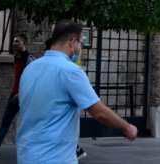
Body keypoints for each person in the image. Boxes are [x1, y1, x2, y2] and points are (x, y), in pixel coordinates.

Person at [17, 20, 137, 164]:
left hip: (26, 156)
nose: (80, 48)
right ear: (73, 42)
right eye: (80, 43)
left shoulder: (30, 68)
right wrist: (127, 127)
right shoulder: (70, 71)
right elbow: (99, 112)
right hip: (55, 158)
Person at [0, 32, 35, 160]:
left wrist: (22, 93)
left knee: (31, 124)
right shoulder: (16, 57)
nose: (14, 43)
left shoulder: (29, 59)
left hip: (25, 97)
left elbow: (34, 80)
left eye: (17, 41)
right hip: (14, 96)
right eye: (14, 41)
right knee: (5, 122)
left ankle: (34, 151)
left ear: (24, 44)